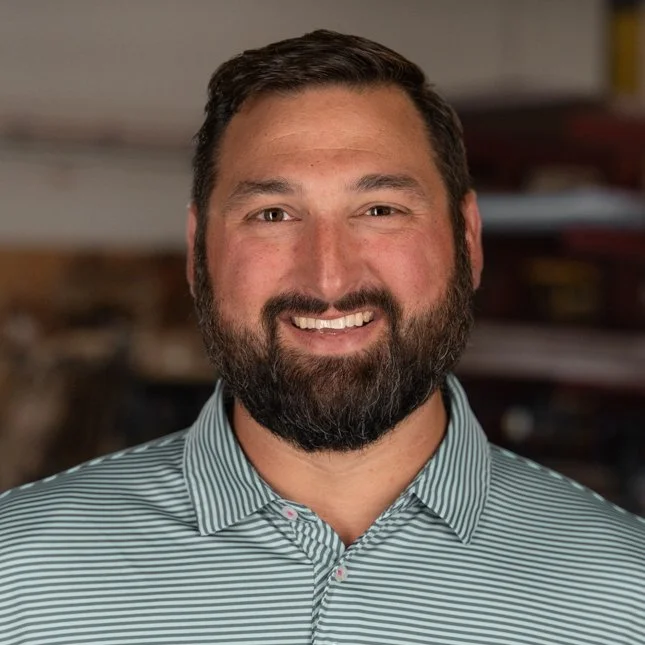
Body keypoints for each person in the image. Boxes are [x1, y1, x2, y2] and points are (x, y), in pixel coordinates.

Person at [1, 30, 643, 645]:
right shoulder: (19, 577)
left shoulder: (623, 597)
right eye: (273, 214)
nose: (329, 275)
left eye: (381, 210)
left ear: (467, 241)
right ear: (199, 253)